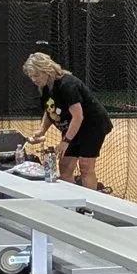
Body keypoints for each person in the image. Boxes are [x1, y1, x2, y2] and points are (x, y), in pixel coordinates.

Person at [23, 50, 111, 188]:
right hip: (73, 126)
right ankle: (73, 205)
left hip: (92, 124)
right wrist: (42, 131)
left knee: (85, 165)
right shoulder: (45, 87)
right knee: (64, 166)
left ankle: (90, 207)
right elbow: (50, 109)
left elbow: (78, 116)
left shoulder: (67, 85)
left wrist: (66, 141)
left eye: (36, 75)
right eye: (31, 76)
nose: (34, 79)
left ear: (46, 70)